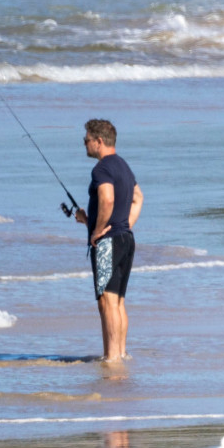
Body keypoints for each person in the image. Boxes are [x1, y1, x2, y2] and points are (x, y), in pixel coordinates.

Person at [75, 119, 143, 362]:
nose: (84, 144)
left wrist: (97, 231)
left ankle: (111, 358)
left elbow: (107, 199)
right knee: (118, 300)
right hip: (125, 239)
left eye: (86, 140)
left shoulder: (101, 169)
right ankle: (121, 354)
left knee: (106, 301)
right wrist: (90, 221)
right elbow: (138, 197)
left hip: (108, 242)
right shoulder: (124, 166)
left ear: (99, 141)